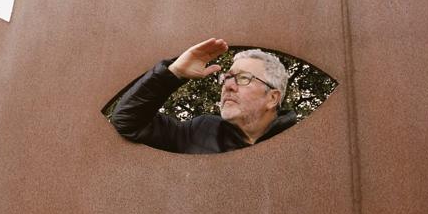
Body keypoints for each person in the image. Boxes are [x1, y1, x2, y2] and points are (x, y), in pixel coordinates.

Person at [111, 38, 296, 154]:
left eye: (243, 78)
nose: (228, 86)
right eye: (227, 77)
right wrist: (173, 73)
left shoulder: (298, 145)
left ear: (272, 98)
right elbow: (126, 122)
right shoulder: (199, 131)